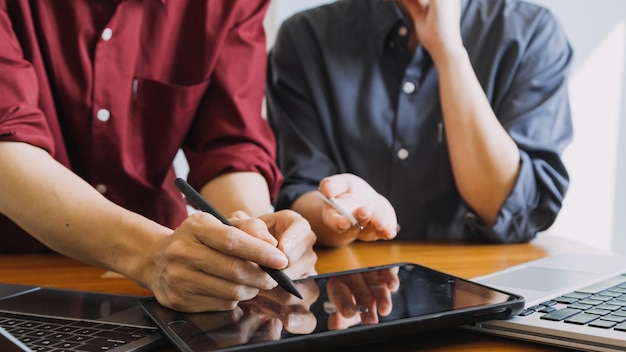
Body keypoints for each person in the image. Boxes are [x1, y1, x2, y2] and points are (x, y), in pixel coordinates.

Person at [0, 0, 317, 312]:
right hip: (15, 269)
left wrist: (253, 235)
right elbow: (6, 143)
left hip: (169, 281)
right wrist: (149, 255)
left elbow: (229, 144)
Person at [266, 0, 573, 247]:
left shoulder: (531, 32)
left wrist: (448, 52)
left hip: (485, 290)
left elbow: (515, 210)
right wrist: (342, 216)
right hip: (353, 292)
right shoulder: (305, 37)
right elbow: (299, 193)